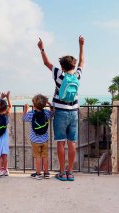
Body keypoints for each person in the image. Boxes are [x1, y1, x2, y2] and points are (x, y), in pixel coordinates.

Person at [37, 36, 85, 181]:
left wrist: (41, 48)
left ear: (62, 67)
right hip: (74, 113)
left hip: (60, 113)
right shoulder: (77, 76)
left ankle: (62, 172)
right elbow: (82, 61)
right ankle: (70, 172)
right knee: (72, 143)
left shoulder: (59, 75)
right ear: (73, 66)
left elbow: (46, 62)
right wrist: (81, 45)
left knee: (60, 143)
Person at [22, 94, 54, 180]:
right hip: (45, 139)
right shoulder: (46, 113)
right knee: (45, 156)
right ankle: (46, 173)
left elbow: (24, 118)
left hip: (35, 140)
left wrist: (25, 109)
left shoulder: (31, 113)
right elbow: (52, 114)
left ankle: (38, 173)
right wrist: (50, 106)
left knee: (38, 157)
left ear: (34, 105)